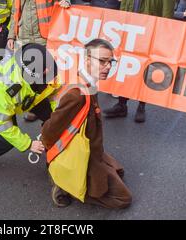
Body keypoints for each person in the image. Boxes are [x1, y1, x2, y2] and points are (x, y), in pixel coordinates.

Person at [41, 39, 132, 208]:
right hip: (83, 156)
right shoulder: (77, 94)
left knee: (119, 172)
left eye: (110, 61)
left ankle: (82, 180)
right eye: (102, 61)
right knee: (123, 199)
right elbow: (49, 132)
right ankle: (66, 186)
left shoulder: (89, 85)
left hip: (94, 151)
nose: (108, 66)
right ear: (88, 59)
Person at [104, 0, 175, 123]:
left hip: (150, 32)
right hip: (130, 30)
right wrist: (121, 27)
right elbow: (124, 5)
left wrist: (164, 36)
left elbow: (168, 10)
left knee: (145, 67)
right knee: (125, 66)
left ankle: (142, 106)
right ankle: (121, 104)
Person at [0, 44, 61, 175]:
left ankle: (53, 158)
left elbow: (54, 94)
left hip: (30, 96)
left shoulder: (45, 65)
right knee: (7, 138)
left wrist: (56, 115)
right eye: (45, 75)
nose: (50, 77)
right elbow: (2, 124)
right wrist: (28, 144)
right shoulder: (6, 87)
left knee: (55, 120)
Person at [6, 0, 70, 122]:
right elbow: (14, 13)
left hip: (44, 37)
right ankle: (35, 107)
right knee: (29, 76)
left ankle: (54, 108)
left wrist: (64, 1)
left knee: (49, 75)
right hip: (24, 38)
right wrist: (11, 36)